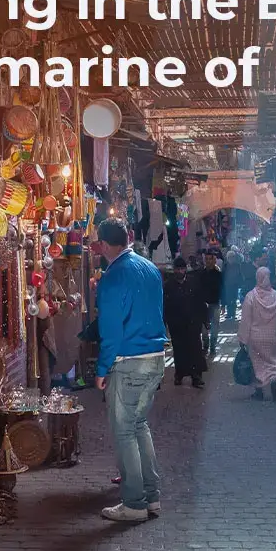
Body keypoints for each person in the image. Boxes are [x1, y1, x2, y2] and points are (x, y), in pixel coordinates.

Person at [94, 218, 167, 522]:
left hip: (130, 362)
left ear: (104, 245)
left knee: (125, 431)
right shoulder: (149, 268)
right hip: (156, 358)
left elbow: (110, 330)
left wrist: (101, 369)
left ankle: (134, 503)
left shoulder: (113, 276)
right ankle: (151, 497)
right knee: (139, 425)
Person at [239, 267, 276, 401]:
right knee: (273, 362)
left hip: (255, 338)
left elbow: (246, 320)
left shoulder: (251, 296)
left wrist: (243, 338)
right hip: (272, 336)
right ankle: (274, 379)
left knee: (257, 363)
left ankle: (259, 391)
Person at [163, 257, 208, 388]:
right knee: (179, 350)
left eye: (182, 269)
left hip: (193, 323)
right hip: (176, 325)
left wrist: (205, 320)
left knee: (195, 350)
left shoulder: (193, 283)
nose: (180, 271)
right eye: (178, 269)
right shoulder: (168, 286)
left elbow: (200, 302)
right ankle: (179, 374)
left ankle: (196, 377)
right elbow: (165, 306)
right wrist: (165, 323)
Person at [199, 251, 224, 356]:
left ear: (214, 260)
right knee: (204, 330)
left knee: (214, 328)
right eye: (207, 259)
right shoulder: (201, 274)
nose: (208, 261)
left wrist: (224, 304)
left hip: (215, 304)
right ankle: (206, 346)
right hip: (203, 305)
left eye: (210, 259)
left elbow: (223, 289)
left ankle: (213, 348)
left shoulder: (219, 274)